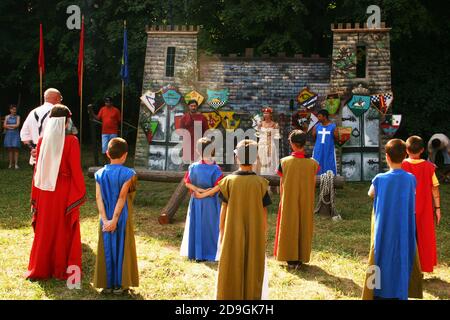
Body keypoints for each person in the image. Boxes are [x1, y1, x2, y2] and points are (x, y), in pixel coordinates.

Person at [196, 139, 271, 300]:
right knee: (253, 266)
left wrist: (222, 232)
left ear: (237, 158)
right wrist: (264, 234)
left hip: (231, 233)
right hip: (254, 234)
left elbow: (224, 208)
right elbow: (264, 212)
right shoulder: (260, 183)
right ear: (255, 158)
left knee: (231, 264)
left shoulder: (228, 182)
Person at [25, 104, 86, 280]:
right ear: (66, 121)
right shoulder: (72, 141)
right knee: (63, 228)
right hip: (63, 190)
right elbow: (75, 170)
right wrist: (79, 191)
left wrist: (35, 193)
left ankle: (41, 267)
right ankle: (61, 267)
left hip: (45, 190)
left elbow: (37, 169)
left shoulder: (42, 140)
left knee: (45, 228)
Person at [362, 139, 422, 300]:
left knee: (379, 255)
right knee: (401, 256)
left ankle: (377, 291)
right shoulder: (410, 178)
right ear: (404, 156)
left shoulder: (380, 178)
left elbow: (370, 194)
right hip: (403, 227)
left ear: (386, 156)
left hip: (384, 227)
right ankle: (399, 290)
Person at [93, 137, 139, 294]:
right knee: (122, 248)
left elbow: (98, 198)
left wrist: (106, 220)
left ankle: (106, 284)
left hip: (104, 218)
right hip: (121, 218)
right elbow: (122, 197)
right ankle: (120, 285)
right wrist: (115, 220)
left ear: (107, 153)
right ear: (125, 155)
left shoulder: (99, 174)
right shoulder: (129, 174)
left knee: (106, 248)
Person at [274, 130, 319, 269]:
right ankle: (301, 257)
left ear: (292, 144)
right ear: (304, 144)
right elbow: (312, 184)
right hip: (306, 199)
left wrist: (283, 198)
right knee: (303, 225)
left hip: (288, 198)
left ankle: (290, 258)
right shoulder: (313, 163)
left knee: (289, 226)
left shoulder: (284, 162)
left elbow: (282, 183)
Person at [180, 137, 223, 262]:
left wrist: (199, 191)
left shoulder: (193, 167)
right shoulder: (216, 169)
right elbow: (218, 187)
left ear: (198, 151)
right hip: (210, 203)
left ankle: (196, 252)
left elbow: (187, 183)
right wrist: (204, 192)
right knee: (210, 227)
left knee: (197, 225)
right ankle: (209, 253)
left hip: (197, 202)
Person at [402, 136, 441, 273]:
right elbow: (434, 188)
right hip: (424, 209)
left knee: (405, 237)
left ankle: (406, 267)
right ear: (423, 150)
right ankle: (421, 267)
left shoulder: (401, 165)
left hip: (405, 209)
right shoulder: (429, 167)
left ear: (406, 150)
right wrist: (437, 208)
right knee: (423, 238)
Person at [20, 88, 63, 165]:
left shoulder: (32, 112)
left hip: (36, 157)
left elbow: (24, 135)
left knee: (37, 177)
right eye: (61, 99)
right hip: (54, 156)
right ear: (57, 98)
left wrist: (33, 149)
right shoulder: (59, 112)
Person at [179, 100, 208, 164]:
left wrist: (204, 142)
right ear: (188, 107)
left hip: (198, 143)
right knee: (186, 163)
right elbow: (181, 131)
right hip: (187, 143)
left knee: (198, 162)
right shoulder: (184, 118)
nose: (193, 107)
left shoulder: (202, 117)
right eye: (191, 106)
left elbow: (206, 131)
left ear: (197, 107)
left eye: (194, 106)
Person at [312, 109, 338, 175]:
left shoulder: (333, 127)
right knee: (317, 161)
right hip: (318, 149)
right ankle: (316, 178)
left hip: (329, 149)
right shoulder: (316, 126)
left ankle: (330, 177)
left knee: (329, 161)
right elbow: (314, 137)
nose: (318, 118)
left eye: (319, 116)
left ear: (325, 117)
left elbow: (336, 138)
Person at [256, 107, 280, 175]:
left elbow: (277, 137)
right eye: (264, 113)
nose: (265, 114)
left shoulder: (275, 124)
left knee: (270, 159)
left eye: (267, 113)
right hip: (261, 144)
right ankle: (261, 174)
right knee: (261, 159)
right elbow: (258, 135)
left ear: (270, 115)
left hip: (270, 144)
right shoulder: (260, 124)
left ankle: (270, 175)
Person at [3, 104, 21, 169]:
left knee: (16, 149)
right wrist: (12, 126)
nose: (14, 111)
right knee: (10, 149)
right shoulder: (7, 117)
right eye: (13, 109)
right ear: (10, 110)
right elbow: (4, 125)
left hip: (15, 134)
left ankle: (16, 164)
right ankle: (10, 164)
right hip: (9, 134)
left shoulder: (18, 117)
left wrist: (9, 126)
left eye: (15, 109)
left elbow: (17, 125)